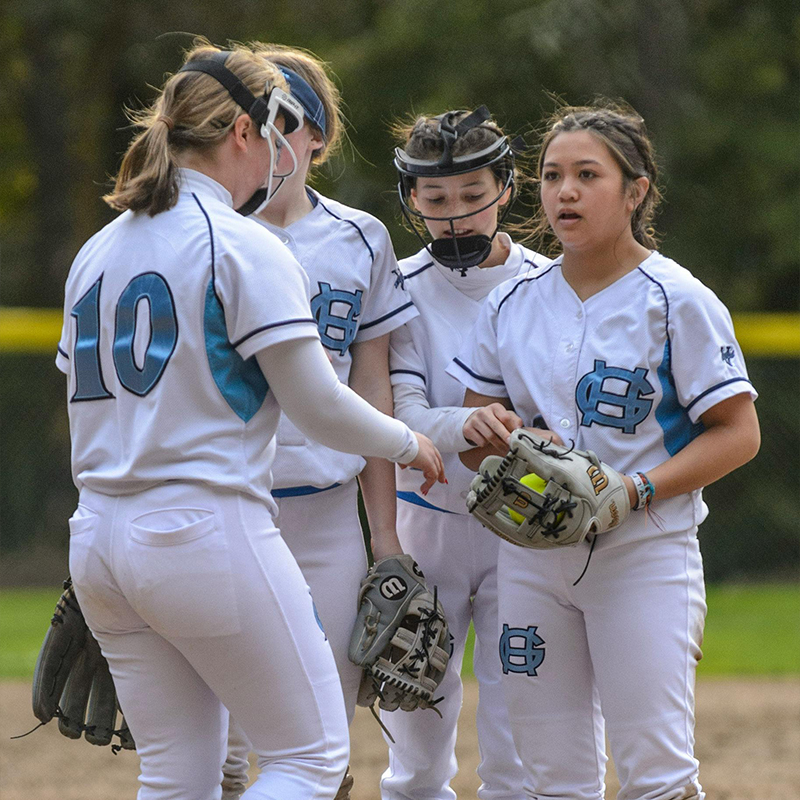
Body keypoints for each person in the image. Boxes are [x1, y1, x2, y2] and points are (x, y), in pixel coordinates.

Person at [56, 40, 443, 800]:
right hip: (202, 528)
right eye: (274, 131)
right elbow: (317, 403)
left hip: (97, 537)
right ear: (243, 132)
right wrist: (408, 440)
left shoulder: (98, 250)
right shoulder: (241, 242)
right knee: (309, 760)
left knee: (176, 774)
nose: (279, 154)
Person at [447, 102, 761, 800]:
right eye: (552, 175)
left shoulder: (676, 299)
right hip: (531, 561)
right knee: (552, 776)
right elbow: (474, 437)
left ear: (636, 189)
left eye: (588, 174)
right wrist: (508, 441)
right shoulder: (510, 303)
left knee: (658, 775)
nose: (564, 192)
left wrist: (636, 488)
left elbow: (739, 433)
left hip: (644, 553)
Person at [219, 45, 421, 800]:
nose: (274, 142)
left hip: (329, 517)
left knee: (324, 732)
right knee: (220, 746)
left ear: (316, 139)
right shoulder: (204, 234)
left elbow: (370, 386)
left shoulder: (360, 237)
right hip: (232, 506)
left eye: (291, 124)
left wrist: (388, 534)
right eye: (260, 122)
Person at [381, 108, 551, 800]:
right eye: (435, 198)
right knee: (416, 746)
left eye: (472, 193)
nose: (454, 216)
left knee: (518, 742)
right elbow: (405, 414)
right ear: (411, 200)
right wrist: (478, 422)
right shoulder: (395, 285)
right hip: (427, 522)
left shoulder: (551, 280)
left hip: (527, 531)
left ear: (506, 187)